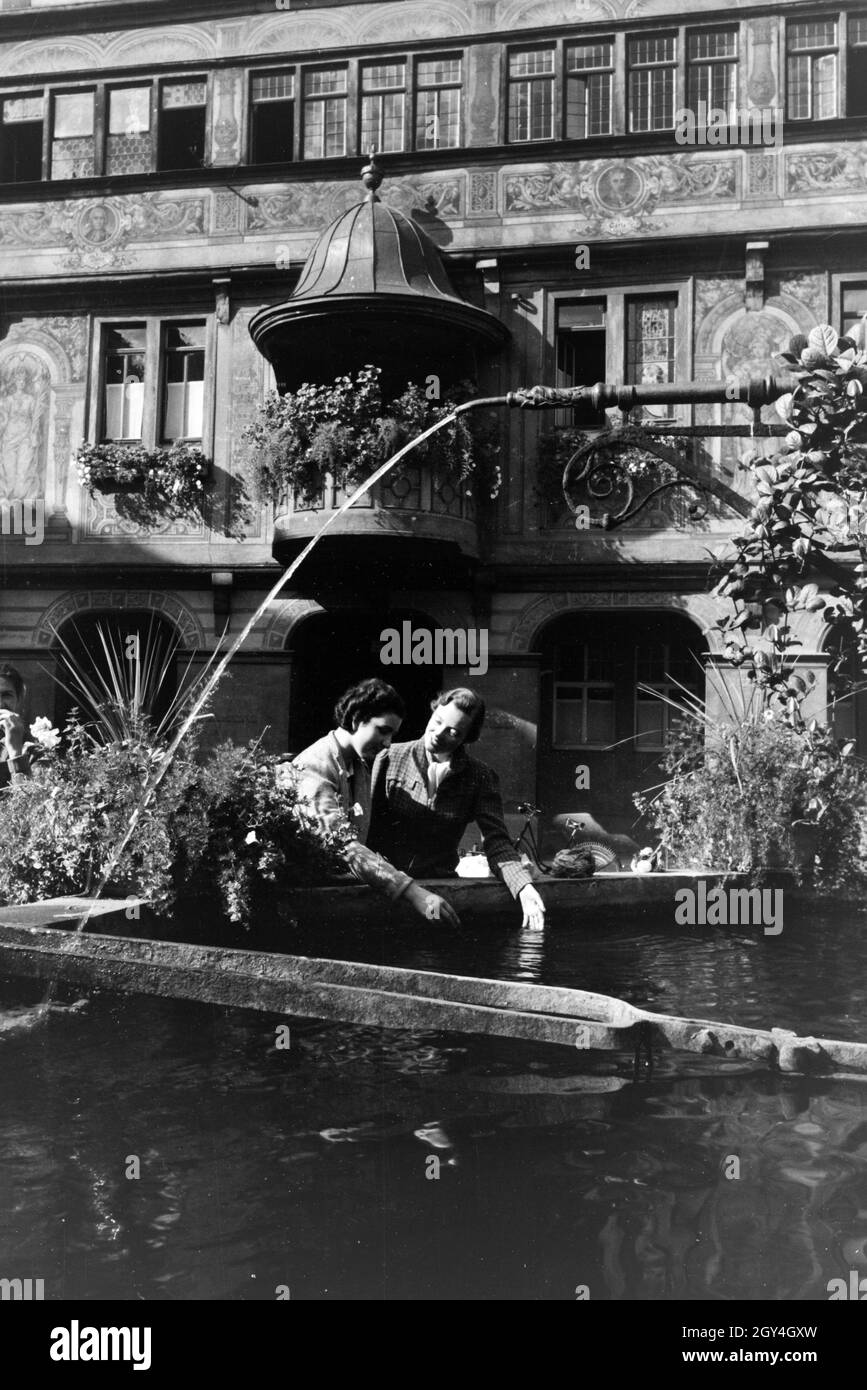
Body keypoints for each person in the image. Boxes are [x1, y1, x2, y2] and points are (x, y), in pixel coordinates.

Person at [369, 688, 547, 931]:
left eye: (453, 732)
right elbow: (366, 830)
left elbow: (497, 843)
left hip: (440, 890)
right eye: (437, 721)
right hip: (387, 888)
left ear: (466, 738)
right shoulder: (388, 758)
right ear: (432, 712)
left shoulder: (480, 777)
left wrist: (523, 887)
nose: (438, 734)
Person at [291, 678, 460, 927]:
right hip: (306, 907)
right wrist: (414, 893)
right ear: (358, 719)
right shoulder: (315, 766)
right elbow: (342, 845)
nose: (388, 743)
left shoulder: (357, 764)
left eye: (392, 734)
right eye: (383, 730)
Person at [0, 663, 33, 787]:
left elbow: (31, 801)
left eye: (7, 695)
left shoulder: (31, 746)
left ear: (19, 699)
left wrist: (15, 752)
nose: (0, 703)